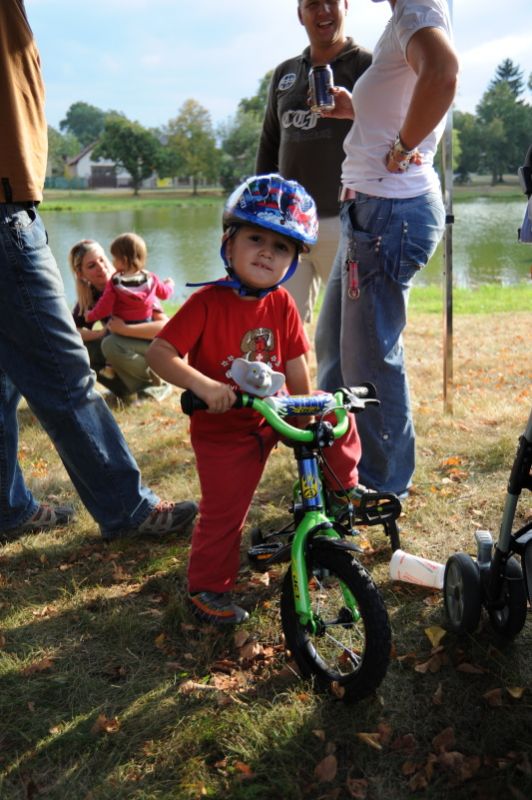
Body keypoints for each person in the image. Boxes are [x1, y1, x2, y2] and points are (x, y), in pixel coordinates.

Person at [0, 0, 197, 541]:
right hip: (4, 212)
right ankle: (127, 510)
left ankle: (6, 508)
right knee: (65, 372)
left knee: (2, 380)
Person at [147, 174, 368, 626]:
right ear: (229, 244)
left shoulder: (283, 304)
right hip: (225, 430)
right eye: (255, 238)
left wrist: (307, 405)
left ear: (292, 260)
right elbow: (160, 353)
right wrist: (204, 387)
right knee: (225, 511)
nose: (267, 251)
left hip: (275, 414)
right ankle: (208, 587)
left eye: (282, 246)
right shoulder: (208, 303)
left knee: (334, 409)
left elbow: (295, 363)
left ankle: (345, 493)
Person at [316, 0, 459, 498]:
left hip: (386, 214)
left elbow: (442, 74)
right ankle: (342, 462)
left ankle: (382, 486)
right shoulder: (402, 17)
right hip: (369, 213)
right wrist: (354, 107)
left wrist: (401, 147)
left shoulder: (416, 9)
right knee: (335, 351)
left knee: (371, 359)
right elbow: (406, 93)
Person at [255, 0, 371, 323]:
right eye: (312, 5)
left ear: (346, 6)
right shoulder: (285, 74)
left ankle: (351, 377)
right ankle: (295, 377)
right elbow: (269, 144)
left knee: (353, 325)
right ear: (300, 14)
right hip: (289, 223)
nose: (323, 11)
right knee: (282, 324)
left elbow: (391, 130)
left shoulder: (369, 66)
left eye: (330, 2)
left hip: (349, 221)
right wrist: (262, 212)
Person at [70, 238, 173, 401]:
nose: (101, 267)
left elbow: (164, 328)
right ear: (81, 274)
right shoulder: (90, 297)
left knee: (110, 344)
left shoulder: (132, 283)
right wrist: (101, 333)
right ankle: (126, 391)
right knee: (80, 350)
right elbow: (70, 332)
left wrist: (124, 329)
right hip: (124, 346)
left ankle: (157, 386)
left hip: (155, 348)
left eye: (102, 260)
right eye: (92, 265)